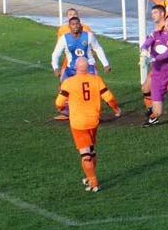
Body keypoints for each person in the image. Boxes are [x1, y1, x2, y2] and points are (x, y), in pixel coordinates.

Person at [55, 57, 121, 192]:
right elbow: (109, 97)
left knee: (85, 154)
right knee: (91, 150)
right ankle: (88, 177)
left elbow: (59, 102)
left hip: (78, 122)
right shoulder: (97, 80)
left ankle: (93, 183)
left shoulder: (68, 82)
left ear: (75, 67)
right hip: (93, 120)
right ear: (88, 67)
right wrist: (116, 109)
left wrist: (61, 109)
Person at [52, 16, 112, 119]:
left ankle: (96, 110)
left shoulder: (89, 36)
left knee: (94, 87)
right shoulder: (64, 39)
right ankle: (67, 110)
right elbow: (56, 54)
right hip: (71, 68)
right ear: (69, 26)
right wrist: (56, 67)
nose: (75, 26)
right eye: (73, 24)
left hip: (88, 67)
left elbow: (98, 49)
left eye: (77, 24)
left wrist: (105, 64)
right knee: (64, 86)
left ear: (81, 25)